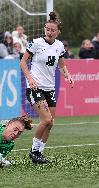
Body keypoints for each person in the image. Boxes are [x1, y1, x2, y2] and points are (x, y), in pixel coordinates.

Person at [20, 11, 74, 164]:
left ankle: (40, 153)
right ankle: (33, 150)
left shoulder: (59, 46)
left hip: (49, 89)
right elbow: (23, 62)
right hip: (35, 88)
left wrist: (68, 75)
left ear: (58, 32)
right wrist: (30, 79)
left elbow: (62, 65)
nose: (50, 32)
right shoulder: (36, 43)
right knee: (46, 119)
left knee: (50, 123)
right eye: (47, 29)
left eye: (53, 30)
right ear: (44, 29)